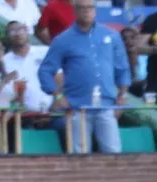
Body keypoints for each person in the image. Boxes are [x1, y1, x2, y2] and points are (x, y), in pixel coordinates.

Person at [39, 1, 132, 155]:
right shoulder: (63, 40)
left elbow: (122, 67)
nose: (86, 11)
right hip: (77, 106)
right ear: (74, 11)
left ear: (95, 10)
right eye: (82, 8)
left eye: (90, 7)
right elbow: (45, 71)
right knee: (80, 155)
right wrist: (57, 95)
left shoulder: (111, 35)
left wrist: (123, 93)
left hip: (106, 104)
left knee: (113, 153)